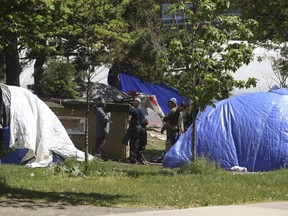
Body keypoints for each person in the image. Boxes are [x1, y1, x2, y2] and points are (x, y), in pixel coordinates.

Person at [128, 97, 148, 164]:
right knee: (142, 144)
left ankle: (133, 159)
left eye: (134, 101)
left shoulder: (132, 110)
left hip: (136, 127)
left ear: (136, 103)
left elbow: (129, 119)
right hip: (143, 128)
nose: (133, 102)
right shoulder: (143, 110)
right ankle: (140, 158)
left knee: (134, 143)